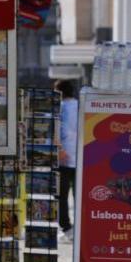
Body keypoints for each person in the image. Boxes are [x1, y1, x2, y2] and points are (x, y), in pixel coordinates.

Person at [55, 79, 78, 242]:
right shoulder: (81, 105)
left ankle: (67, 228)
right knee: (79, 196)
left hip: (63, 158)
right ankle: (80, 227)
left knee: (62, 196)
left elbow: (56, 129)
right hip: (80, 159)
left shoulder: (60, 107)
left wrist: (60, 149)